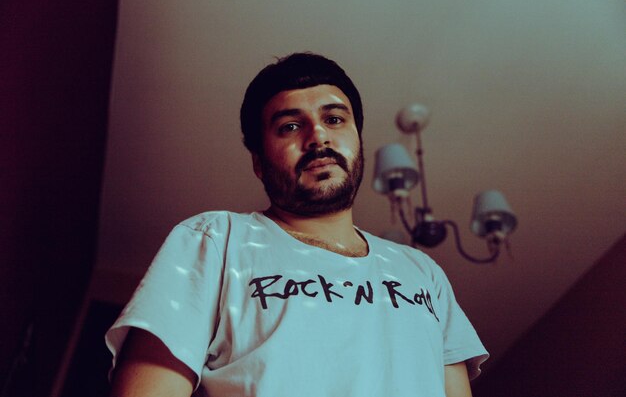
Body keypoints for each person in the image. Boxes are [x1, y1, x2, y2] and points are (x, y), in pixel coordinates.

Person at [105, 53, 488, 397]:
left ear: (358, 140)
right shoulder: (214, 240)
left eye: (334, 119)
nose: (318, 136)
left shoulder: (424, 272)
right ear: (258, 161)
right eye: (289, 126)